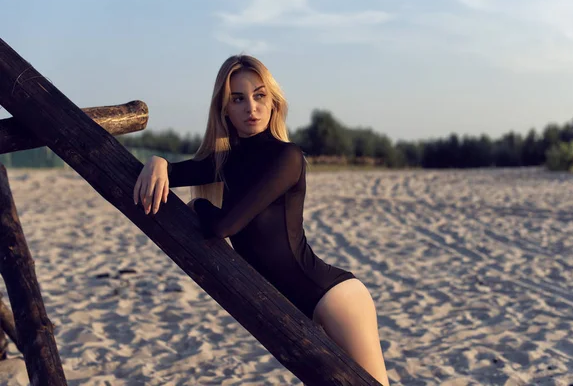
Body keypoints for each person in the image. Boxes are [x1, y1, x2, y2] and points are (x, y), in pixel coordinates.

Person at [133, 55, 390, 385]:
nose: (250, 108)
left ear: (273, 103)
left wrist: (198, 203)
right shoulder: (225, 161)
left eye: (259, 96)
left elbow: (224, 227)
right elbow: (174, 170)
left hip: (335, 297)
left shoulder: (287, 157)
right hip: (300, 309)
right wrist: (157, 160)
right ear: (224, 108)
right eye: (237, 99)